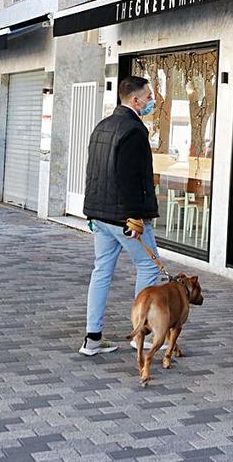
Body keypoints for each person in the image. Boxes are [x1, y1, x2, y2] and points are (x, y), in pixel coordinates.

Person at [79, 75, 163, 357]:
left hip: (101, 215)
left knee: (101, 271)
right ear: (135, 99)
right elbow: (130, 178)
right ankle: (143, 333)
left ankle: (92, 339)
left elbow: (93, 171)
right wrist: (134, 216)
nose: (152, 101)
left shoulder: (102, 126)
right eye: (149, 96)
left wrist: (90, 211)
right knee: (149, 267)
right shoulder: (134, 131)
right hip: (125, 217)